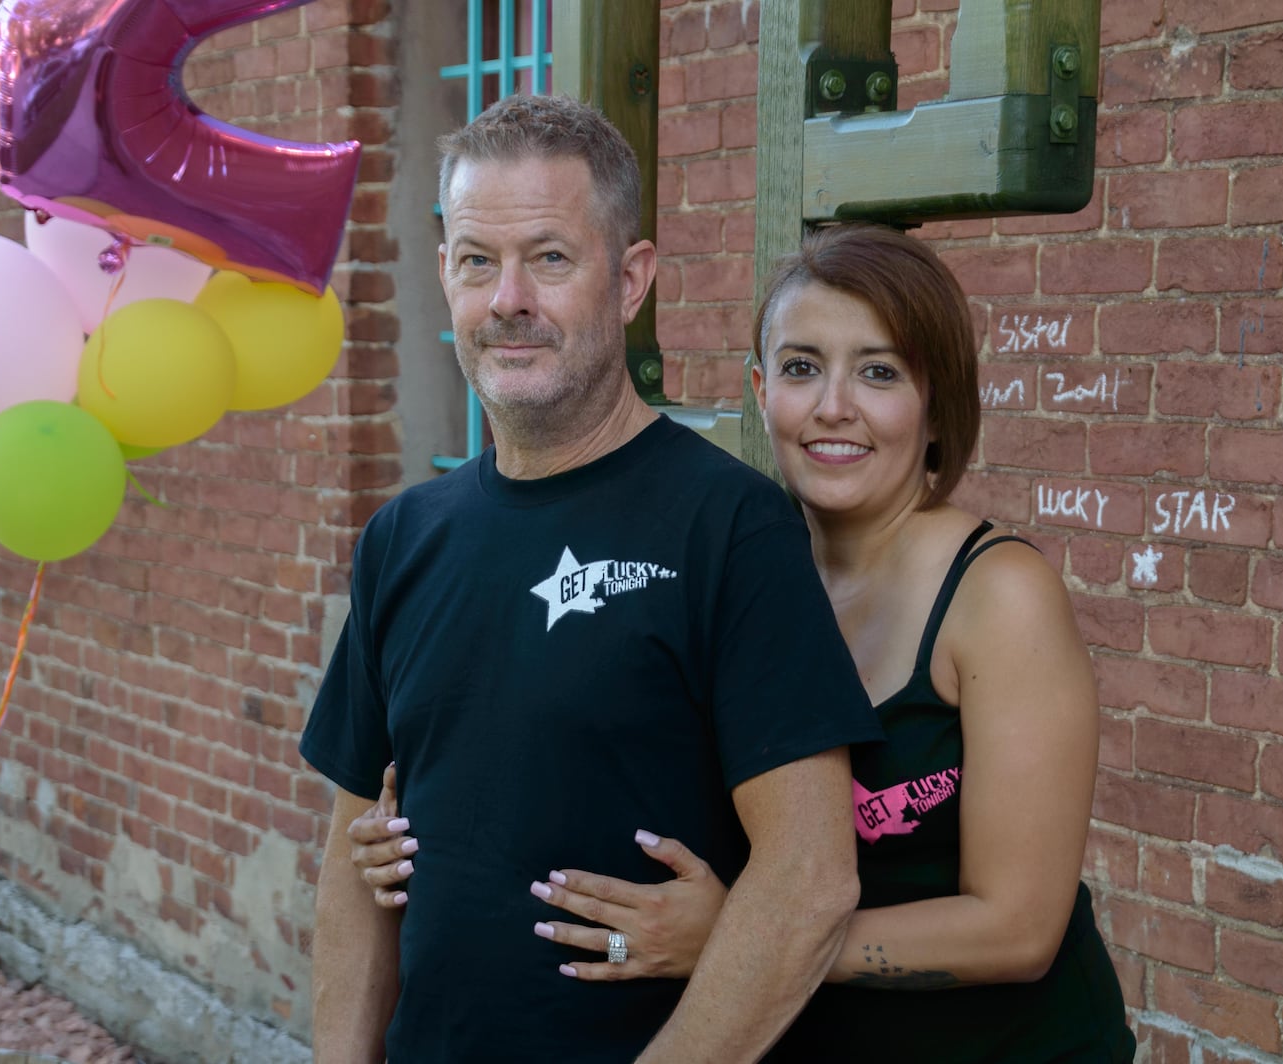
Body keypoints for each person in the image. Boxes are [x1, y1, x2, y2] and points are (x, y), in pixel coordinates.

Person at [351, 222, 1137, 1060]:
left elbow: (1020, 931)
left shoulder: (999, 597)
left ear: (938, 403)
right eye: (802, 368)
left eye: (879, 371)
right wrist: (413, 836)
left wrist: (742, 931)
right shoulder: (736, 566)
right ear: (761, 391)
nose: (834, 404)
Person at [298, 94, 883, 1063]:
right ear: (445, 276)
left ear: (630, 279)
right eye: (478, 261)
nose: (508, 298)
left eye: (551, 257)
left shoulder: (728, 524)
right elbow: (356, 860)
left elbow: (808, 879)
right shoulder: (404, 535)